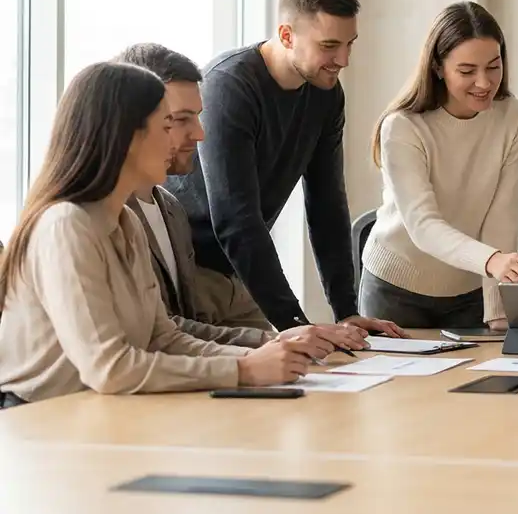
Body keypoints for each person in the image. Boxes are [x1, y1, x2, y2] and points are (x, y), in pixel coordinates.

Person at [0, 62, 315, 407]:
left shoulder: (126, 222)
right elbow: (109, 368)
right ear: (126, 136)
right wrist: (242, 370)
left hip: (103, 412)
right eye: (167, 125)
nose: (192, 137)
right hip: (40, 423)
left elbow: (162, 338)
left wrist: (264, 353)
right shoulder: (66, 226)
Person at [166, 0, 403, 337]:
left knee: (305, 367)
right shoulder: (228, 87)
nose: (343, 60)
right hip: (189, 274)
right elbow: (235, 219)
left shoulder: (327, 94)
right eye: (329, 46)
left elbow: (327, 204)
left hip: (238, 278)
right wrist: (295, 323)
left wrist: (345, 311)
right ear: (287, 36)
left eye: (349, 44)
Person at [117, 43, 372, 356]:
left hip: (230, 290)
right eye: (179, 120)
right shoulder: (98, 219)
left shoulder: (169, 209)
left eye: (197, 117)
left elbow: (171, 332)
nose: (200, 135)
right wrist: (276, 339)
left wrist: (299, 333)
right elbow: (146, 344)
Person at [361, 2, 518, 329]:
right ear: (438, 68)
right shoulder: (403, 127)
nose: (484, 83)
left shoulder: (512, 117)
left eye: (493, 67)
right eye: (467, 71)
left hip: (469, 292)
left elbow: (503, 218)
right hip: (395, 291)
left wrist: (498, 312)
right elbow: (423, 226)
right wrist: (492, 261)